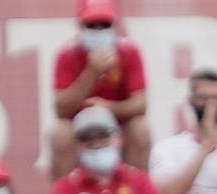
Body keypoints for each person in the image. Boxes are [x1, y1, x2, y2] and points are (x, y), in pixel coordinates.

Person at [49, 0, 148, 175]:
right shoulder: (66, 55)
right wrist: (92, 72)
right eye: (92, 25)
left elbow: (140, 104)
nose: (99, 30)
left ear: (114, 26)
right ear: (80, 26)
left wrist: (108, 107)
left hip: (117, 122)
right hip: (80, 123)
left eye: (104, 25)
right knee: (59, 133)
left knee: (140, 129)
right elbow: (61, 109)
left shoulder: (129, 52)